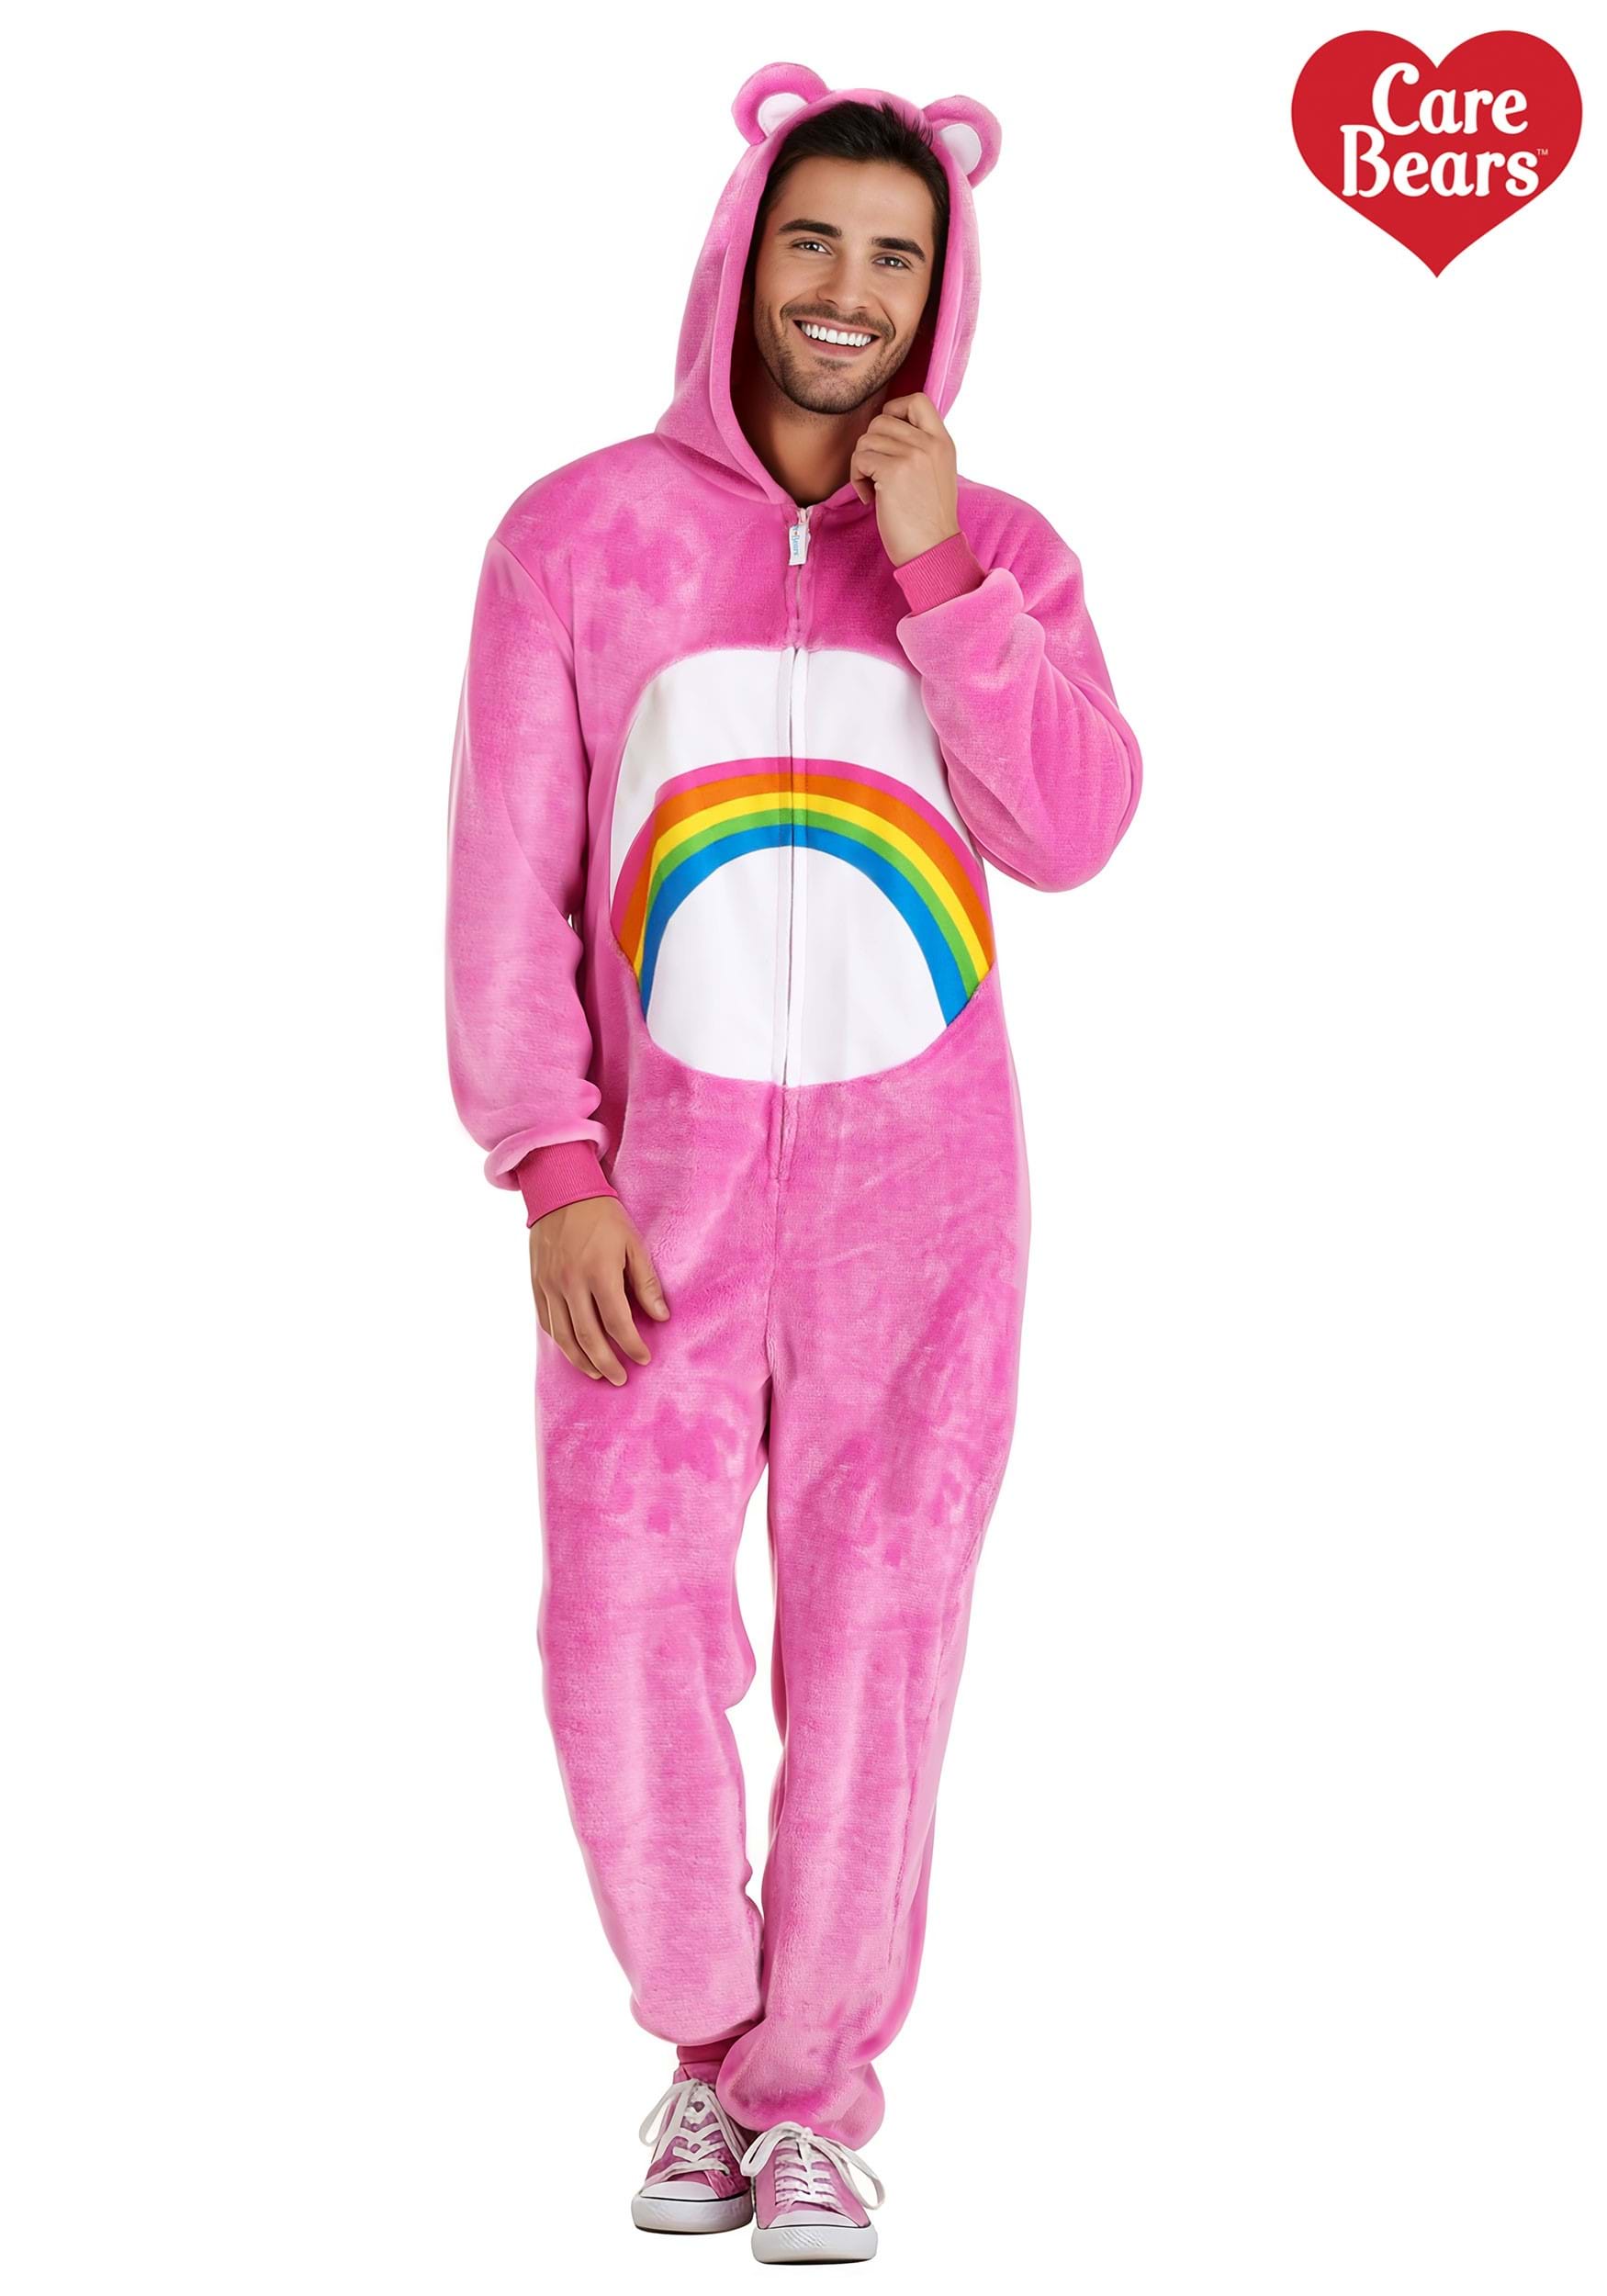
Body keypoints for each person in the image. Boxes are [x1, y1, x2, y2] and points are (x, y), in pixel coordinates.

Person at [445, 62, 1142, 2266]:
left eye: (894, 256)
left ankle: (806, 2098)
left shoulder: (999, 550)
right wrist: (550, 1160)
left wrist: (932, 563)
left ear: (945, 289)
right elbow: (506, 877)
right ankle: (709, 2032)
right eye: (812, 240)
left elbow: (1071, 827)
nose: (846, 289)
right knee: (613, 1630)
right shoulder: (576, 538)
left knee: (878, 1645)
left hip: (916, 1206)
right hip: (643, 1201)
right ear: (743, 253)